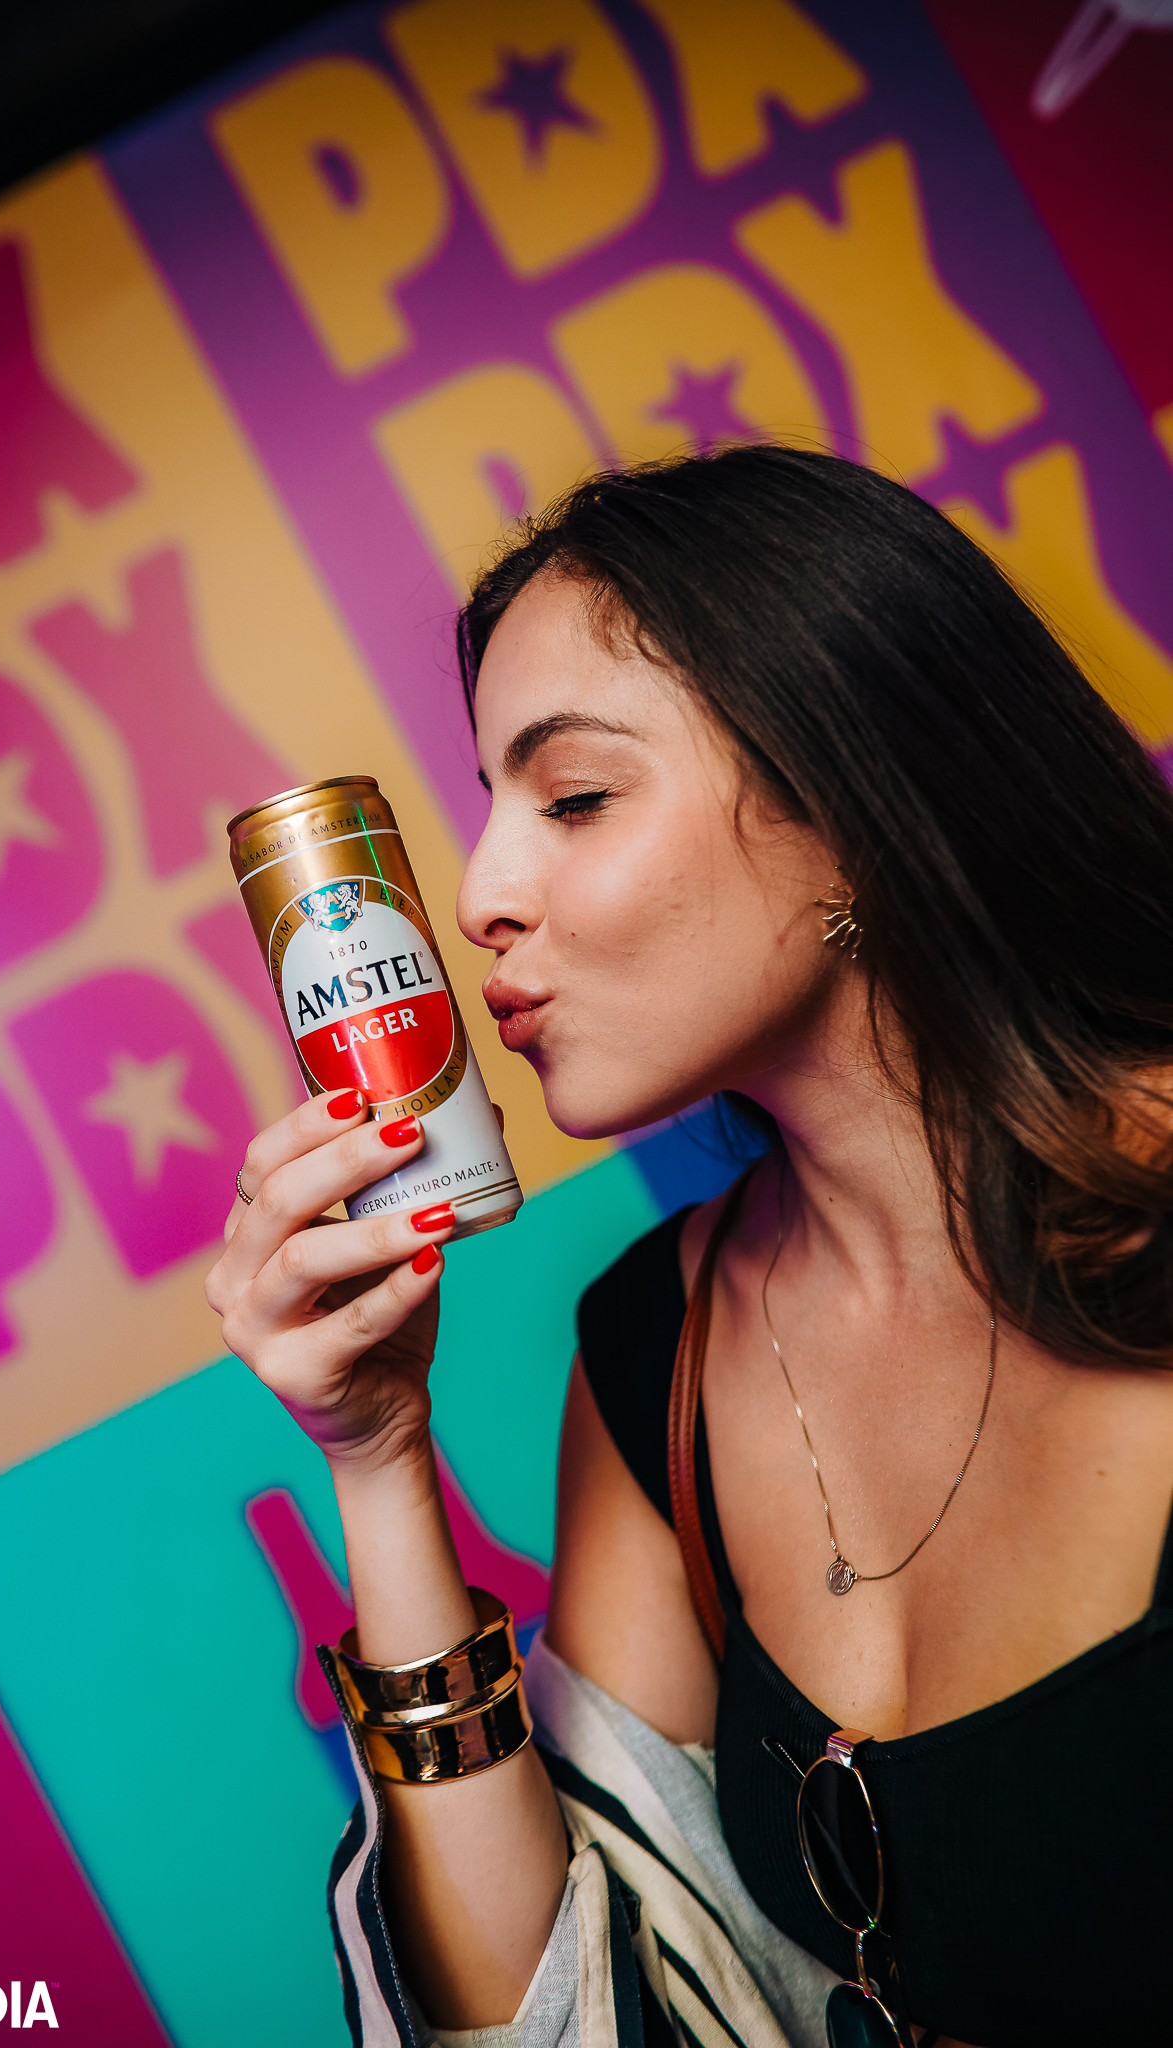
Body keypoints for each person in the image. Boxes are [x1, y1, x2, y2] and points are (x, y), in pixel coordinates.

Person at [207, 447, 1173, 2048]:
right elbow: (571, 2018)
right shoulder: (656, 1352)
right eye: (488, 806)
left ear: (852, 798)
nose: (481, 895)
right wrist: (375, 1458)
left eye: (574, 798)